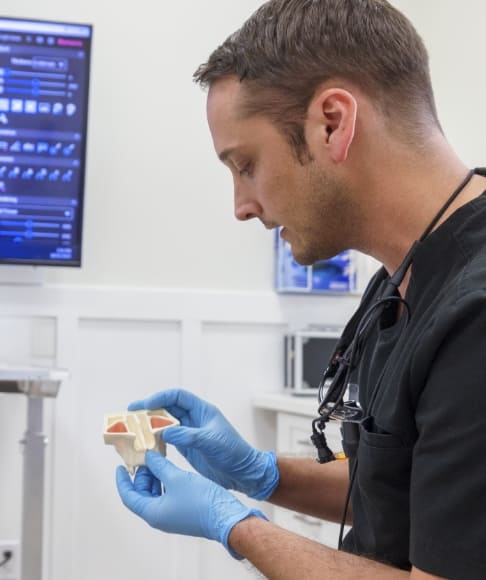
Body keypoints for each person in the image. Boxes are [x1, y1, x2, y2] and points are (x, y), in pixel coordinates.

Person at [115, 0, 486, 578]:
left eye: (245, 165)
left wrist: (235, 526)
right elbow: (403, 490)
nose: (241, 207)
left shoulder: (476, 315)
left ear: (332, 123)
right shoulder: (399, 282)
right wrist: (259, 472)